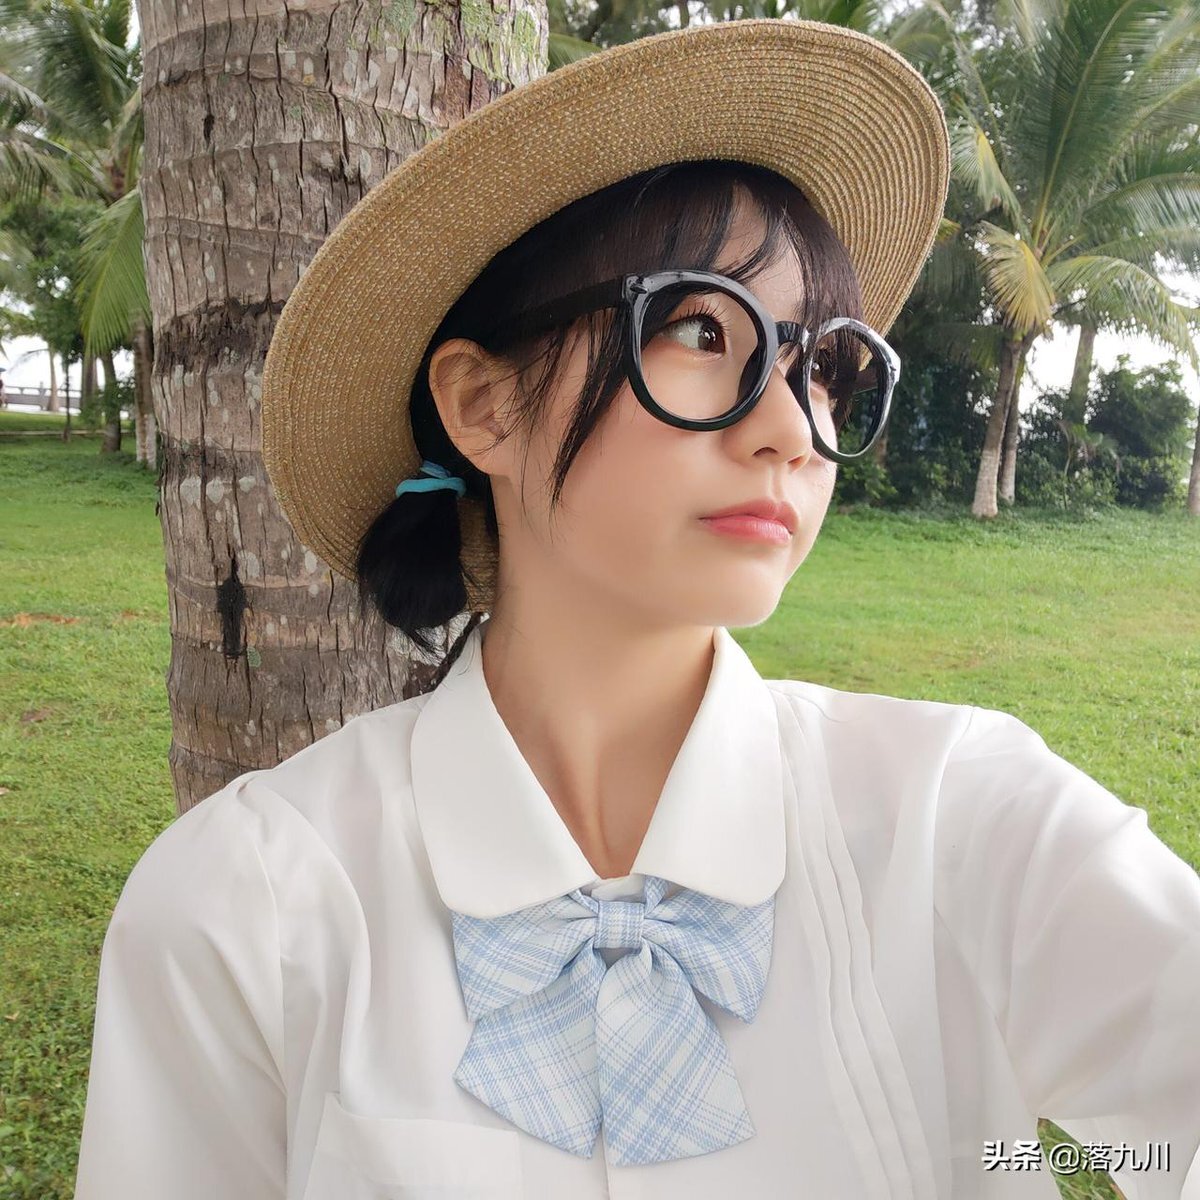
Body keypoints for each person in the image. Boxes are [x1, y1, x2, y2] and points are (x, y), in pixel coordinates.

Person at [73, 17, 1200, 1200]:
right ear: (482, 406)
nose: (793, 428)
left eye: (823, 365)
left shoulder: (964, 824)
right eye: (703, 331)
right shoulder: (248, 911)